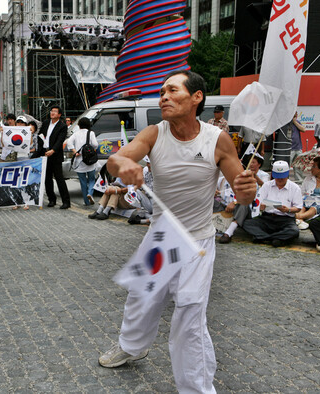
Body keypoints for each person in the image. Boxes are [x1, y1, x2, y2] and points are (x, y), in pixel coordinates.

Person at [98, 70, 256, 393]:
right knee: (140, 300)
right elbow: (115, 161)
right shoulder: (155, 133)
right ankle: (130, 346)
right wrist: (122, 165)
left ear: (196, 97)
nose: (163, 97)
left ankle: (197, 388)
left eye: (172, 90)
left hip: (198, 240)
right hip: (162, 236)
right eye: (161, 92)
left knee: (189, 311)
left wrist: (249, 189)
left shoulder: (217, 140)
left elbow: (243, 195)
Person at [242, 161, 301, 247]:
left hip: (285, 219)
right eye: (277, 177)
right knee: (247, 224)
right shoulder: (267, 185)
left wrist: (288, 209)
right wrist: (261, 207)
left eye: (282, 177)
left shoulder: (295, 188)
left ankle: (262, 237)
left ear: (287, 174)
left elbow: (298, 207)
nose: (280, 180)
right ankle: (276, 239)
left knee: (294, 231)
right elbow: (258, 202)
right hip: (267, 218)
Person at [219, 154, 270, 243]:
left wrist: (255, 177)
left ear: (259, 164)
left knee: (244, 203)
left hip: (249, 207)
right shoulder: (231, 176)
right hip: (227, 205)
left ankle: (229, 232)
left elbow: (264, 188)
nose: (251, 164)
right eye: (250, 162)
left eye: (254, 162)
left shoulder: (263, 175)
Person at [36, 106, 71, 209]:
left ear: (59, 114)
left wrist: (53, 150)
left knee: (59, 178)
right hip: (45, 153)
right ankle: (52, 199)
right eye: (52, 111)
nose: (52, 113)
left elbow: (60, 140)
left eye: (55, 111)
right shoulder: (46, 123)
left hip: (55, 155)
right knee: (47, 178)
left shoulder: (62, 126)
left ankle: (66, 201)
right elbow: (40, 135)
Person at [66, 117, 98, 206]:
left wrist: (75, 151)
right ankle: (90, 193)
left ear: (79, 125)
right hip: (89, 160)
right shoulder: (91, 133)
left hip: (79, 161)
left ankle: (86, 202)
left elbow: (69, 142)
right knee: (91, 179)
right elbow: (95, 144)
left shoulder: (76, 134)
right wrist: (92, 149)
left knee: (83, 182)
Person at [295, 157, 320, 227]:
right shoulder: (308, 178)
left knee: (313, 208)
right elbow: (302, 192)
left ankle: (297, 217)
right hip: (307, 200)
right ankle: (300, 220)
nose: (311, 168)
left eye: (314, 166)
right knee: (302, 207)